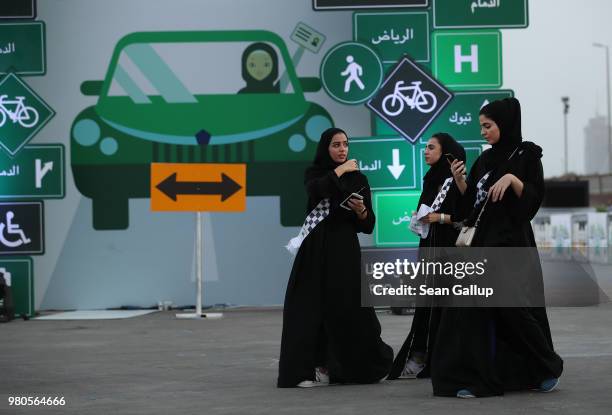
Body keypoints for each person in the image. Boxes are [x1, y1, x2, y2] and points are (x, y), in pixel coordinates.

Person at [431, 97, 563, 398]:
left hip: (512, 245)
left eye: (488, 126)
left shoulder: (526, 155)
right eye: (481, 127)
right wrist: (462, 182)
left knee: (513, 310)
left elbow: (531, 202)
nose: (484, 132)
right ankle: (486, 377)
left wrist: (513, 179)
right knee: (477, 314)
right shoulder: (485, 160)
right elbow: (469, 210)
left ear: (505, 123)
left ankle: (544, 367)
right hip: (483, 245)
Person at [277, 127, 393, 388]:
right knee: (308, 309)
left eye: (345, 144)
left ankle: (351, 368)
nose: (342, 150)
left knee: (349, 307)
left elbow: (368, 224)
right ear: (325, 148)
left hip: (344, 250)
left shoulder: (359, 179)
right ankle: (306, 370)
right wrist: (341, 170)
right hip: (315, 249)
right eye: (336, 145)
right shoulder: (315, 173)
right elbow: (317, 190)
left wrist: (362, 211)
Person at [387, 133, 466, 380]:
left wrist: (439, 218)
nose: (426, 151)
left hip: (447, 253)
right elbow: (427, 214)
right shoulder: (431, 179)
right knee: (426, 307)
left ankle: (437, 359)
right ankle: (420, 357)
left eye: (431, 148)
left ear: (446, 153)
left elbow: (466, 215)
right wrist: (420, 216)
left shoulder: (456, 180)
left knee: (443, 308)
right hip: (428, 250)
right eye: (426, 147)